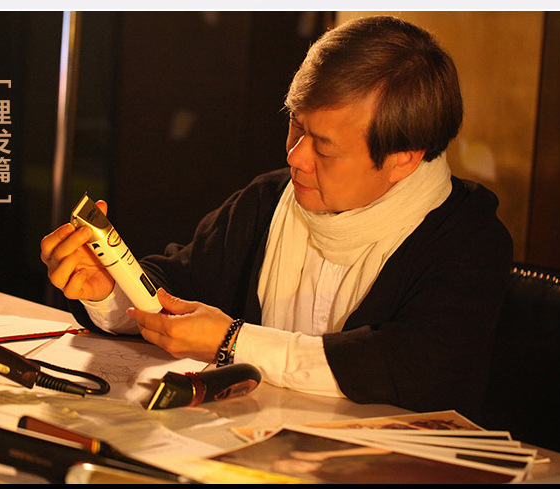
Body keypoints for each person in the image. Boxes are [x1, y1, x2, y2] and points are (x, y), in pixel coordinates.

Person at [40, 15, 513, 421]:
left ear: (403, 159)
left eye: (323, 145)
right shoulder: (269, 200)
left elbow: (412, 371)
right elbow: (177, 289)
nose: (295, 156)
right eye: (295, 125)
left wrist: (233, 342)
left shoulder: (468, 239)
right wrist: (108, 284)